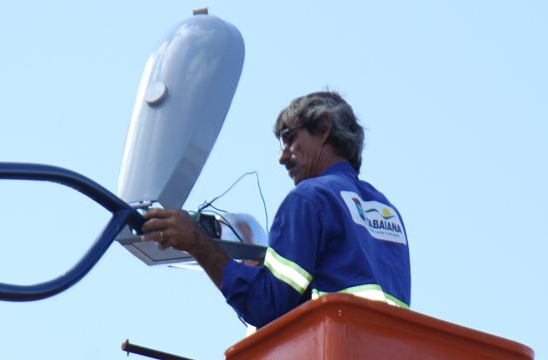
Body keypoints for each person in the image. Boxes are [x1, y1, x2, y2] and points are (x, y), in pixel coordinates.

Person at [141, 91, 411, 328]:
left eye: (289, 138)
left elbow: (267, 304)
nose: (282, 157)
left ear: (324, 129)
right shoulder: (386, 211)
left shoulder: (310, 199)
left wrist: (197, 243)